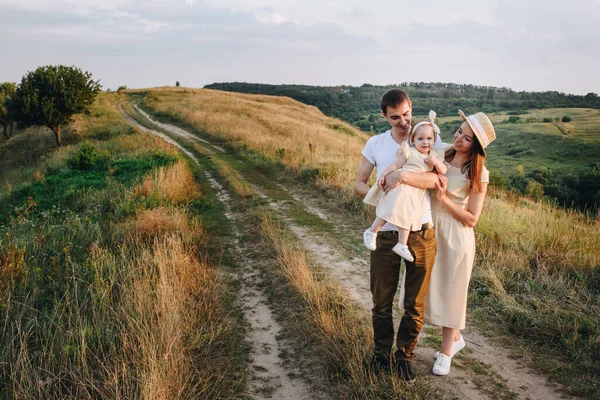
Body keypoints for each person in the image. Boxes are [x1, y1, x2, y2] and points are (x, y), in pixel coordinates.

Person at [353, 89, 443, 382]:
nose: (404, 123)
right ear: (385, 116)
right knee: (381, 300)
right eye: (396, 118)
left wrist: (403, 177)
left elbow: (436, 180)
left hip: (421, 233)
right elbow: (358, 183)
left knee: (415, 304)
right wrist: (384, 203)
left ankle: (404, 357)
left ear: (411, 108)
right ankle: (380, 356)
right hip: (387, 235)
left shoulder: (427, 137)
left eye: (406, 115)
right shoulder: (376, 143)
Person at [423, 110, 497, 376]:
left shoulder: (478, 172)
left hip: (456, 236)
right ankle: (455, 340)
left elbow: (472, 218)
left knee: (452, 294)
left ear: (475, 145)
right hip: (430, 229)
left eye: (466, 138)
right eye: (458, 131)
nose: (458, 139)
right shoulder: (442, 152)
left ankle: (445, 353)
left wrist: (443, 199)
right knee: (428, 288)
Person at [363, 111, 447, 262]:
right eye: (420, 139)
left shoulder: (434, 156)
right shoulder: (409, 152)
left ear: (434, 141)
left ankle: (402, 244)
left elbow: (443, 172)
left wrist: (435, 163)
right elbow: (395, 164)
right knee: (390, 208)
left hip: (416, 192)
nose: (425, 142)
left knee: (407, 215)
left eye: (429, 138)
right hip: (401, 186)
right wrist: (383, 174)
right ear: (413, 140)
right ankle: (372, 231)